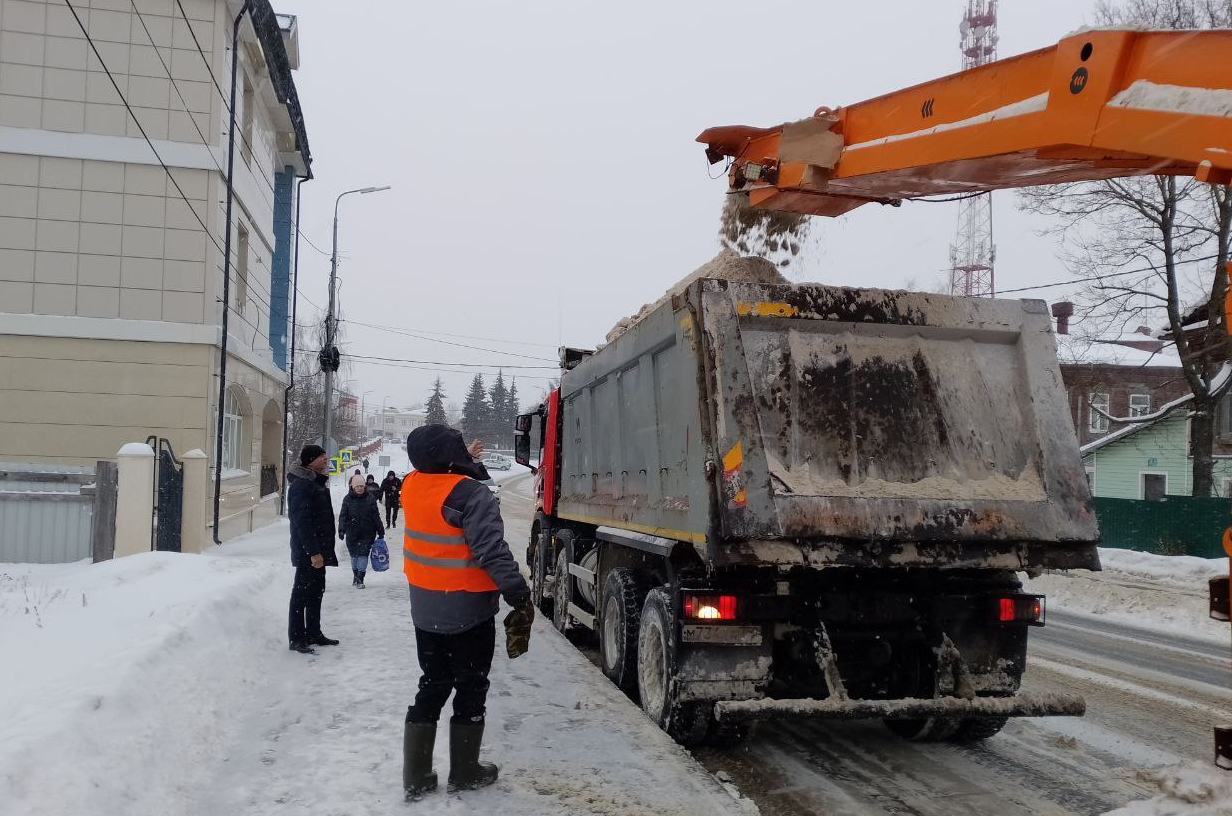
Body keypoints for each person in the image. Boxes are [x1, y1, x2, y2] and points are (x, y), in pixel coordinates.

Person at [400, 425, 532, 800]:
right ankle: (465, 770)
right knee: (471, 686)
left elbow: (446, 484)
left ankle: (417, 774)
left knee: (433, 683)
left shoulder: (412, 484)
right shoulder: (471, 495)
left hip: (425, 608)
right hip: (468, 611)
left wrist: (465, 461)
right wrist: (517, 592)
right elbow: (491, 551)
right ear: (449, 457)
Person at [286, 444, 340, 654]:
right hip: (308, 552)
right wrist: (313, 552)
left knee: (316, 592)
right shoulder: (301, 485)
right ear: (310, 460)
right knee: (301, 594)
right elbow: (302, 521)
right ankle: (297, 637)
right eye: (321, 456)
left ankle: (314, 633)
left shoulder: (316, 483)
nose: (326, 458)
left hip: (319, 550)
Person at [338, 473, 384, 588]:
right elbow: (343, 516)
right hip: (352, 533)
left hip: (367, 533)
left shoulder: (370, 498)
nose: (360, 488)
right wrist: (341, 530)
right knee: (354, 556)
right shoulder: (347, 499)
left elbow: (375, 515)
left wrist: (380, 529)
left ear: (364, 487)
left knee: (363, 555)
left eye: (362, 486)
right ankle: (356, 575)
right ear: (352, 487)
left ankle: (360, 579)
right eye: (357, 486)